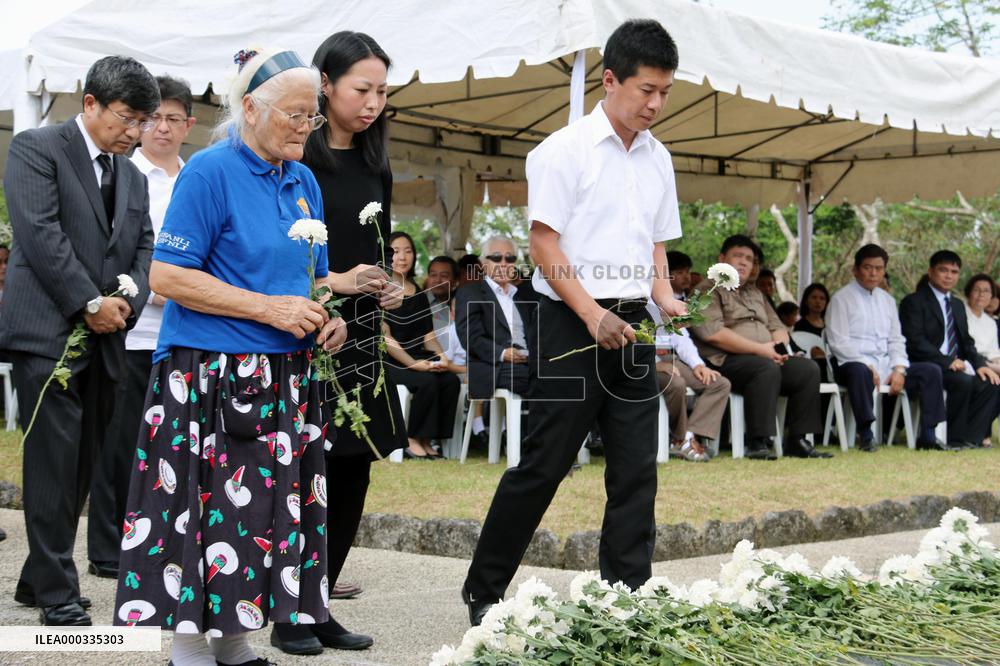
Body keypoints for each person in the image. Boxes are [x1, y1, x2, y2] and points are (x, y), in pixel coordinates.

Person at [112, 48, 350, 666]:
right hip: (209, 374)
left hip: (283, 377)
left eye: (313, 117)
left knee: (264, 516)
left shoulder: (304, 181)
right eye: (295, 114)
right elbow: (167, 275)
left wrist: (330, 317)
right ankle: (190, 648)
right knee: (202, 511)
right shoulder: (209, 172)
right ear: (250, 108)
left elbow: (312, 280)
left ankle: (237, 641)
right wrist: (271, 309)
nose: (305, 126)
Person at [462, 19, 686, 626]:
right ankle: (484, 591)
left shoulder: (659, 157)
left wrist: (665, 298)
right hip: (567, 319)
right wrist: (591, 316)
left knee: (638, 462)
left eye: (665, 91)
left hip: (632, 325)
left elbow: (655, 249)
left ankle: (626, 595)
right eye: (646, 89)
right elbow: (544, 246)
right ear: (609, 79)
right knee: (545, 461)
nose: (656, 104)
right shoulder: (561, 150)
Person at [0, 56, 159, 626]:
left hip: (108, 338)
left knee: (85, 462)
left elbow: (143, 249)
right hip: (46, 332)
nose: (136, 132)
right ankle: (56, 592)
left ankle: (36, 575)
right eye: (126, 118)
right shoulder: (38, 148)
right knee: (52, 460)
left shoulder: (133, 175)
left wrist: (126, 303)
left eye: (144, 121)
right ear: (90, 103)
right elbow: (39, 234)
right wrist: (88, 302)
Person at [275, 31, 407, 655]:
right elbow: (281, 255)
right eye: (363, 89)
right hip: (307, 332)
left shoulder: (377, 164)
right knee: (303, 470)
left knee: (352, 468)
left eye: (382, 90)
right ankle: (287, 609)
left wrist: (389, 287)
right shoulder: (296, 163)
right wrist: (334, 291)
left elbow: (377, 247)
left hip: (359, 337)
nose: (374, 102)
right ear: (324, 85)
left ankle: (319, 603)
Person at [86, 75, 196, 584]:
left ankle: (160, 541)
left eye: (175, 119)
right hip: (132, 329)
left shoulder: (197, 178)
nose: (163, 128)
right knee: (120, 444)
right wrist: (147, 290)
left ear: (189, 126)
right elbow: (109, 250)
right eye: (154, 118)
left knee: (171, 446)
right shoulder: (123, 174)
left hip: (184, 333)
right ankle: (108, 546)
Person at [690, 235, 831, 460]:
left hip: (765, 357)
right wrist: (760, 349)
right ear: (722, 258)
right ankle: (758, 441)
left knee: (807, 369)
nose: (744, 262)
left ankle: (797, 439)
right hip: (724, 361)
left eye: (749, 258)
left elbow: (777, 327)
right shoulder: (706, 289)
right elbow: (713, 334)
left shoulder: (755, 292)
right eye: (738, 256)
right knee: (765, 368)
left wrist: (780, 349)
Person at [826, 244, 946, 452]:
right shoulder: (841, 298)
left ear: (884, 270)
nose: (873, 273)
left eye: (879, 268)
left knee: (930, 370)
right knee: (859, 370)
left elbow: (896, 339)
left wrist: (899, 368)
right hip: (851, 364)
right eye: (867, 267)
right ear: (855, 269)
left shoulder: (888, 300)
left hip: (885, 365)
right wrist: (866, 363)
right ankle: (866, 434)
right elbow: (838, 342)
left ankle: (928, 435)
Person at [899, 250, 1000, 449]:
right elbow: (915, 341)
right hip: (926, 365)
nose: (948, 276)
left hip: (955, 365)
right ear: (930, 272)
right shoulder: (914, 301)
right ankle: (952, 438)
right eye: (943, 270)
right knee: (962, 381)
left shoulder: (956, 304)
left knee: (991, 382)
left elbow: (966, 343)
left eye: (954, 272)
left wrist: (980, 364)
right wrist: (946, 361)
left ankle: (971, 437)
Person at [384, 231, 461, 459]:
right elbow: (385, 337)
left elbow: (428, 333)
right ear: (387, 255)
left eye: (408, 251)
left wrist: (441, 356)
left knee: (449, 380)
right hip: (390, 360)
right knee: (426, 381)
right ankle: (410, 438)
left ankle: (428, 440)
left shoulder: (418, 291)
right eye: (396, 251)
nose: (402, 257)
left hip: (418, 354)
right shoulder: (380, 287)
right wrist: (414, 364)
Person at [455, 236, 538, 402]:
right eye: (496, 257)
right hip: (493, 367)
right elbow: (471, 338)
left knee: (562, 373)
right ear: (483, 264)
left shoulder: (521, 297)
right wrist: (503, 353)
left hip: (527, 362)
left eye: (510, 258)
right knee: (542, 380)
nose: (504, 263)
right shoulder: (471, 293)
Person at [649, 304, 730, 462]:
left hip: (671, 357)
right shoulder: (636, 295)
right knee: (676, 384)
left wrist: (698, 365)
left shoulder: (666, 297)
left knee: (718, 384)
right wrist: (656, 363)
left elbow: (681, 337)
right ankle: (680, 439)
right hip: (643, 361)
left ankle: (687, 437)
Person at [963, 274, 1000, 446]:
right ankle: (980, 433)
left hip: (989, 363)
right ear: (969, 292)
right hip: (969, 361)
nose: (981, 295)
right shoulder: (961, 313)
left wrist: (996, 365)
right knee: (994, 382)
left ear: (992, 296)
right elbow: (966, 348)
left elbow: (994, 353)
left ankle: (983, 429)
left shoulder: (990, 322)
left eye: (986, 291)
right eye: (977, 290)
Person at [425, 255, 460, 335]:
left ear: (455, 281)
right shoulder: (418, 304)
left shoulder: (463, 305)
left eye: (444, 276)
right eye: (433, 275)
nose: (438, 280)